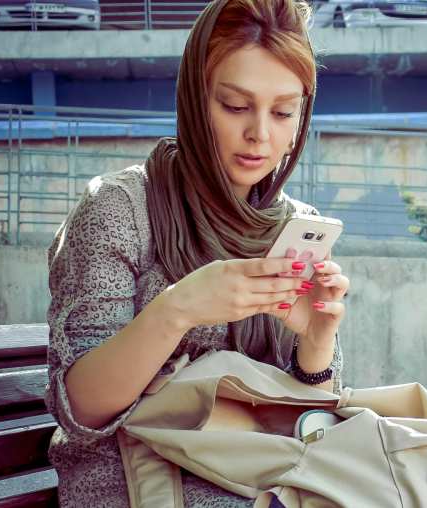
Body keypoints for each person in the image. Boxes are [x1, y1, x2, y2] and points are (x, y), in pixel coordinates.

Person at [44, 0, 349, 506]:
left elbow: (310, 418)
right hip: (139, 482)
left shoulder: (293, 223)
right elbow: (79, 410)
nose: (260, 134)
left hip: (260, 477)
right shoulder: (121, 208)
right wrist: (178, 310)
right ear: (193, 98)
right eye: (234, 106)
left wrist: (316, 342)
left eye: (282, 112)